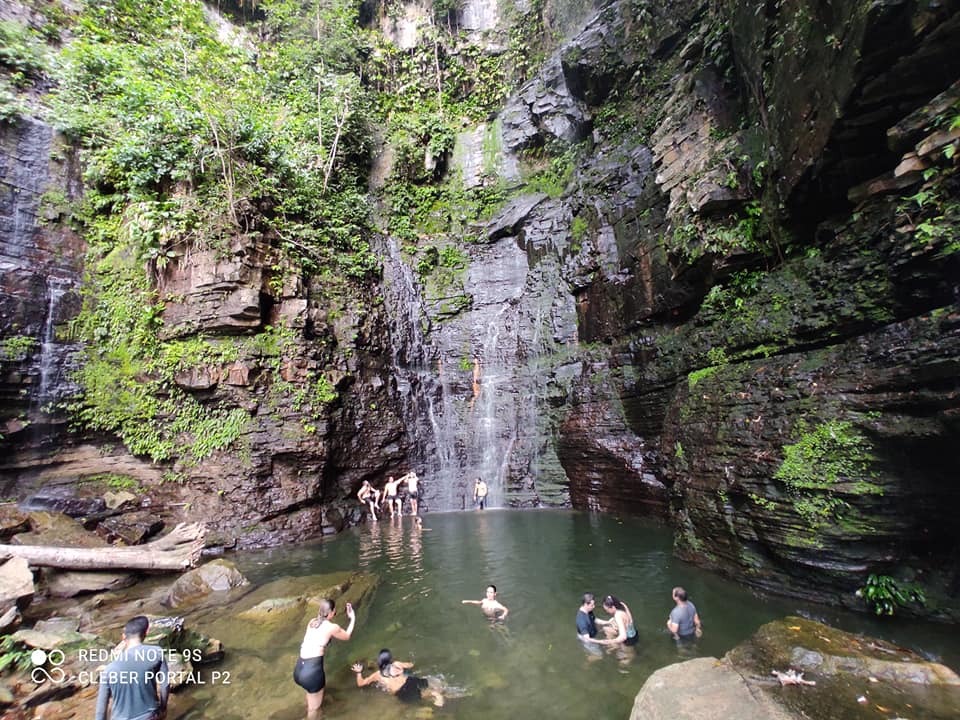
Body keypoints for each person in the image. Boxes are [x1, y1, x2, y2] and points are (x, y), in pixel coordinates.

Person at [95, 615, 169, 720]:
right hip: (150, 717)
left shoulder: (109, 669)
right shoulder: (156, 652)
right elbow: (165, 685)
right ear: (146, 632)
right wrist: (163, 708)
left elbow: (101, 708)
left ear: (123, 637)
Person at [294, 598, 356, 717]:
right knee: (314, 710)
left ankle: (306, 711)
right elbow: (347, 636)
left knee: (311, 695)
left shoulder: (312, 622)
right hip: (311, 673)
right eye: (334, 611)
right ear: (331, 612)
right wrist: (352, 618)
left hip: (299, 669)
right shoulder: (332, 627)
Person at [351, 648, 445, 706]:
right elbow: (411, 665)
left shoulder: (378, 675)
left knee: (417, 698)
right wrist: (408, 663)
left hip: (401, 691)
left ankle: (434, 694)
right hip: (411, 680)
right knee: (429, 684)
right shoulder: (396, 664)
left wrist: (359, 672)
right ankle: (438, 692)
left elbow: (361, 683)